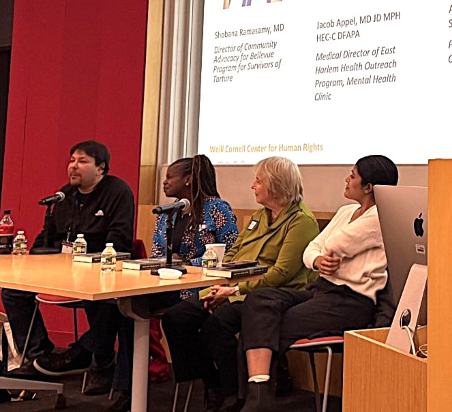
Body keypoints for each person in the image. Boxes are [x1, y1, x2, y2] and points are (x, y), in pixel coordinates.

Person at [238, 155, 398, 412]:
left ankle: (256, 398)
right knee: (258, 302)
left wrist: (324, 253)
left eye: (353, 175)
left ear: (369, 186)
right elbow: (312, 248)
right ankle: (258, 396)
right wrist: (318, 260)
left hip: (351, 301)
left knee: (265, 324)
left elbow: (335, 244)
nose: (347, 180)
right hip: (321, 291)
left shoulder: (382, 215)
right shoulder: (346, 211)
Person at [161, 156, 318, 412]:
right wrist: (221, 283)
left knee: (216, 324)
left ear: (275, 185)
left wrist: (233, 290)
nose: (252, 186)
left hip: (269, 296)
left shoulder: (301, 221)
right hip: (233, 288)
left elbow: (281, 272)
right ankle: (213, 383)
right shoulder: (259, 215)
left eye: (258, 180)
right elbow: (234, 251)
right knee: (176, 318)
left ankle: (236, 395)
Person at [106, 155, 239, 411]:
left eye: (170, 178)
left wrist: (188, 264)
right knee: (126, 307)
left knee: (176, 318)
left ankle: (210, 383)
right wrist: (175, 263)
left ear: (188, 180)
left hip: (202, 285)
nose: (164, 183)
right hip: (168, 283)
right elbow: (158, 254)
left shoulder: (217, 209)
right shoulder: (168, 213)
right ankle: (129, 386)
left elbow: (228, 252)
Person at [1, 141, 134, 380]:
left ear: (101, 168)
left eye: (82, 161)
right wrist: (31, 261)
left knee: (105, 302)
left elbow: (120, 240)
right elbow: (46, 236)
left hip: (97, 272)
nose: (73, 166)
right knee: (13, 289)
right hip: (61, 271)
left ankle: (92, 356)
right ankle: (39, 355)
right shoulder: (63, 196)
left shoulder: (117, 192)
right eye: (72, 160)